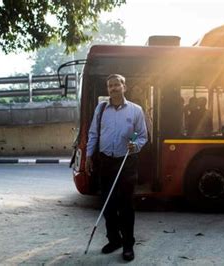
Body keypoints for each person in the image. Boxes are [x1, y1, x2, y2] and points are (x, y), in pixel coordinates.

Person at [85, 74, 148, 261]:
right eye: (110, 86)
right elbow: (93, 133)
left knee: (126, 205)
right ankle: (114, 240)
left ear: (124, 87)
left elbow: (141, 134)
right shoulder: (101, 108)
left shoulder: (136, 110)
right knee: (107, 204)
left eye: (116, 84)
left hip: (126, 162)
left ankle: (128, 244)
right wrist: (89, 156)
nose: (113, 88)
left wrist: (134, 144)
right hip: (106, 161)